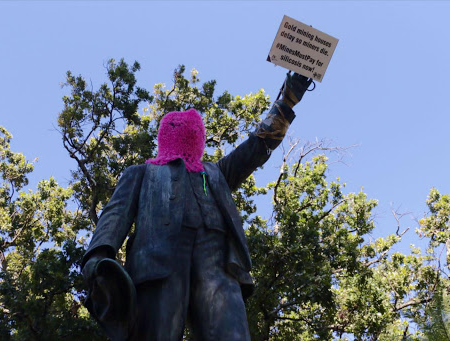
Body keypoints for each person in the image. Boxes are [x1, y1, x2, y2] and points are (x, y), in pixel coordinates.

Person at [81, 73, 313, 341]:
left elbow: (258, 145)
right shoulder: (141, 173)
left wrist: (287, 101)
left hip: (217, 266)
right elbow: (115, 214)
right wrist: (97, 255)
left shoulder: (216, 173)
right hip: (157, 263)